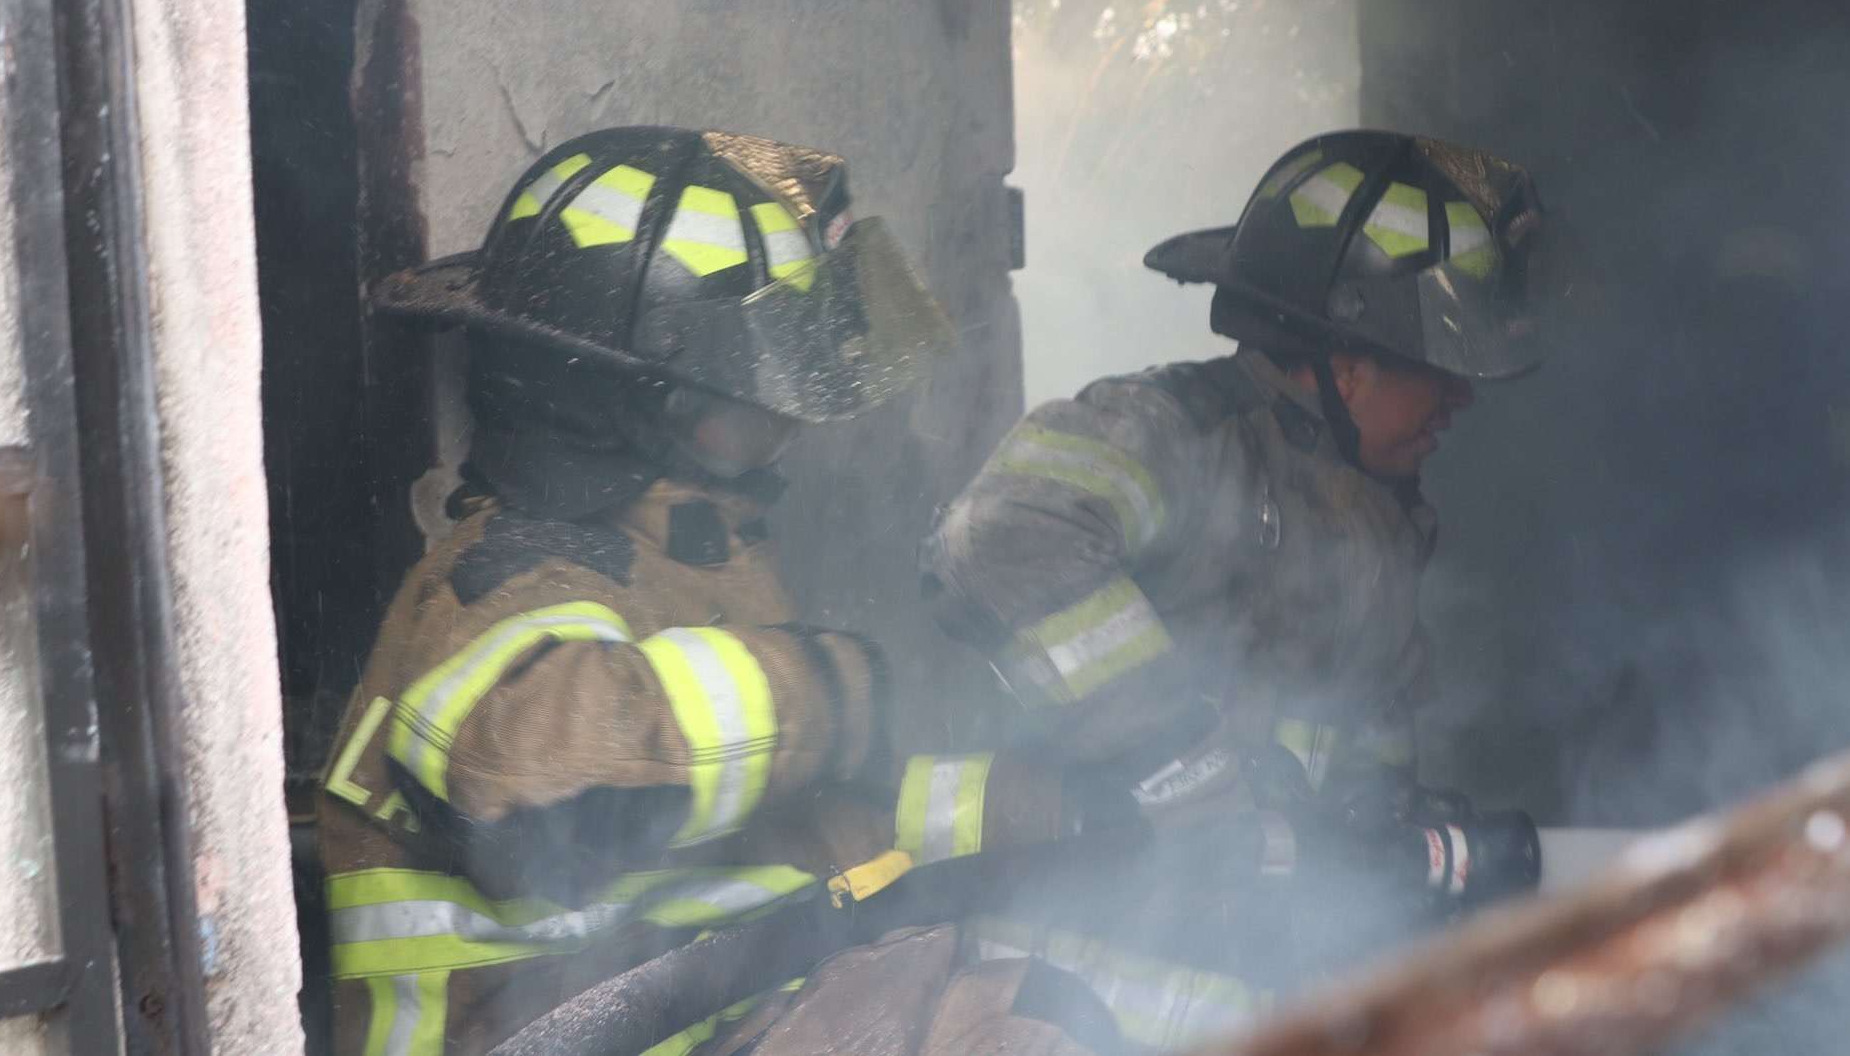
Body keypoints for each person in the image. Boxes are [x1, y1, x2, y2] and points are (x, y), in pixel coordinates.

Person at [317, 126, 1093, 1055]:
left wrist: (1053, 806)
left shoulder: (681, 566)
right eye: (753, 391)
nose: (783, 421)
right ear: (644, 401)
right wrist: (831, 688)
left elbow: (798, 824)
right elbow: (528, 777)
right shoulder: (503, 580)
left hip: (722, 1021)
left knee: (1038, 1012)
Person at [913, 129, 1551, 1049]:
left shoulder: (1375, 509)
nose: (1461, 400)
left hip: (1239, 979)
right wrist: (1180, 759)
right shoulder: (1174, 430)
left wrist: (1394, 840)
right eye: (1439, 370)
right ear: (1347, 358)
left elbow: (1352, 730)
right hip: (1073, 973)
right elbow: (1001, 538)